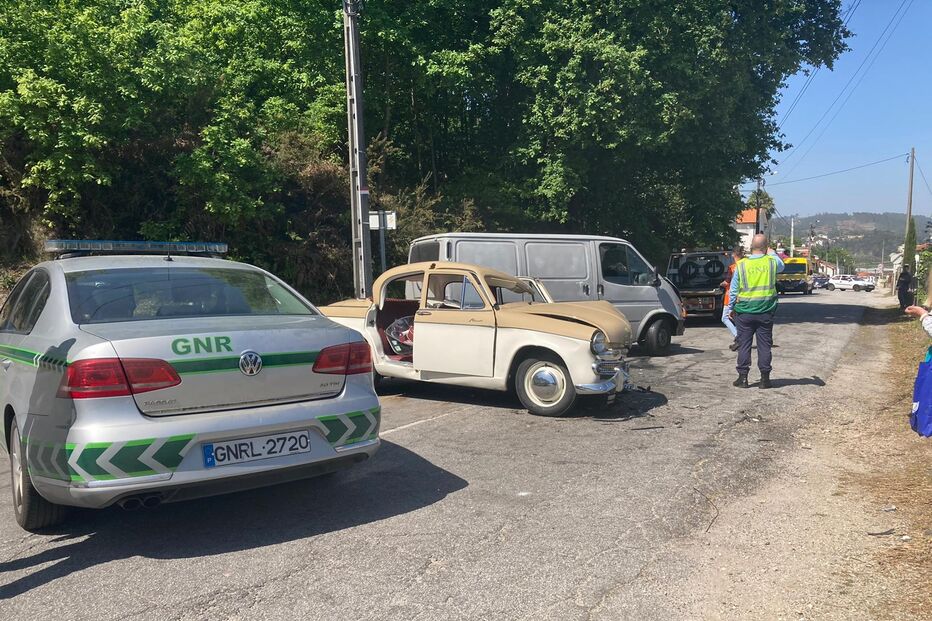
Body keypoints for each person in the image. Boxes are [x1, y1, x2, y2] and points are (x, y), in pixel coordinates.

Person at [728, 233, 784, 389]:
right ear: (766, 248)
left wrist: (730, 308)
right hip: (765, 311)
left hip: (744, 312)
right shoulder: (772, 262)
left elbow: (733, 290)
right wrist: (772, 252)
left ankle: (743, 378)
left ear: (751, 247)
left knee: (744, 344)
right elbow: (782, 264)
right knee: (764, 345)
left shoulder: (742, 265)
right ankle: (765, 379)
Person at [720, 245, 745, 351]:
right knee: (738, 319)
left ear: (733, 255)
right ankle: (740, 337)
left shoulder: (733, 267)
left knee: (725, 317)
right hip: (743, 297)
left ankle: (738, 337)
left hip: (731, 297)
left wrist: (721, 284)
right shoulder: (746, 265)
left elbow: (728, 282)